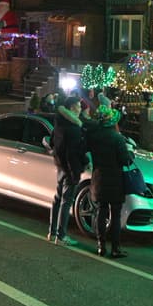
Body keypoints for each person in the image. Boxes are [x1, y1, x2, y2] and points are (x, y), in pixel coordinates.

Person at [84, 106, 132, 258]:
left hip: (99, 177)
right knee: (115, 214)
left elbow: (84, 150)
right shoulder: (117, 138)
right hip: (115, 179)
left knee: (101, 211)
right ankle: (115, 248)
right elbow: (125, 160)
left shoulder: (93, 136)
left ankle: (101, 246)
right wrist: (130, 153)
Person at [48, 96, 87, 247]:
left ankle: (52, 232)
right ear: (71, 108)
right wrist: (75, 173)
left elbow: (52, 143)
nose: (80, 109)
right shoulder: (74, 129)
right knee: (66, 201)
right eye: (78, 106)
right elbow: (73, 155)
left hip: (60, 167)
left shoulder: (59, 125)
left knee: (58, 199)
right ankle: (61, 235)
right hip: (70, 170)